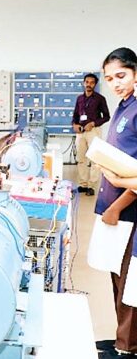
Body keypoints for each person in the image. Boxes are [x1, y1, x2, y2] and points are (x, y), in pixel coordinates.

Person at [94, 47, 137, 356]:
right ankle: (122, 339)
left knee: (130, 282)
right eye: (109, 79)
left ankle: (128, 347)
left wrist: (116, 207)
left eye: (121, 75)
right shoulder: (124, 106)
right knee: (117, 277)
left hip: (128, 210)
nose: (115, 83)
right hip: (115, 210)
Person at [72, 73, 110, 196]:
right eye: (87, 82)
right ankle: (83, 184)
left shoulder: (100, 99)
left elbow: (106, 116)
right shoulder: (79, 98)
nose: (89, 84)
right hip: (81, 132)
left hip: (93, 131)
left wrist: (93, 123)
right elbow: (75, 115)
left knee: (94, 159)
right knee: (81, 159)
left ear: (95, 84)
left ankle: (91, 186)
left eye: (92, 82)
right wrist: (74, 125)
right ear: (84, 83)